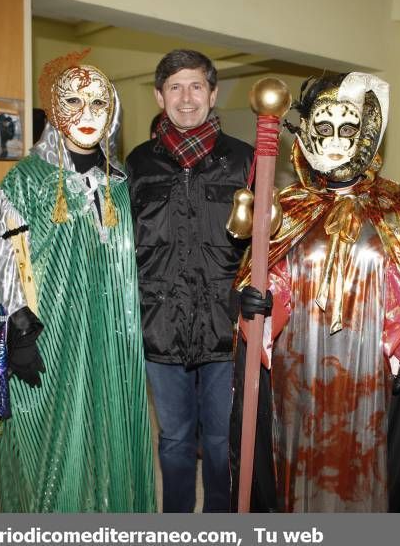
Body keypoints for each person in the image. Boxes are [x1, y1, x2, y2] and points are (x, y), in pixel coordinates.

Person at [0, 51, 156, 512]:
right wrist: (20, 332)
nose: (87, 115)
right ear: (53, 108)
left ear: (114, 112)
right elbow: (0, 262)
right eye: (73, 101)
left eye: (99, 103)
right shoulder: (24, 181)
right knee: (44, 449)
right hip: (45, 344)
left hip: (109, 343)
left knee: (107, 438)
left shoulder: (121, 185)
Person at [230, 73, 400, 512]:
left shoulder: (394, 204)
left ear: (366, 136)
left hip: (368, 370)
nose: (337, 141)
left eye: (349, 129)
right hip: (300, 367)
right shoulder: (287, 204)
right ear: (305, 135)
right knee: (298, 456)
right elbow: (273, 278)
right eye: (324, 129)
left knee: (362, 463)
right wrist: (257, 303)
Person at [126, 49, 253, 513]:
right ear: (160, 96)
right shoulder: (136, 166)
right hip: (160, 326)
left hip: (226, 328)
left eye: (196, 85)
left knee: (221, 443)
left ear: (213, 93)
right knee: (176, 442)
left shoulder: (246, 161)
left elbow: (268, 246)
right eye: (174, 87)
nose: (186, 97)